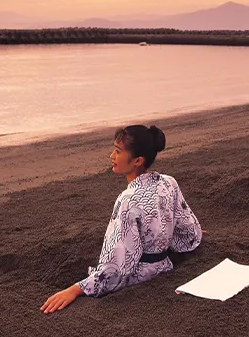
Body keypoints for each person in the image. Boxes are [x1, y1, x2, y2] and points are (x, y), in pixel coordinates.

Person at [40, 125, 202, 314]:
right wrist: (185, 233)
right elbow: (188, 229)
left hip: (143, 275)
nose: (111, 156)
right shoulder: (168, 182)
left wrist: (76, 289)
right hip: (165, 264)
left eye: (118, 151)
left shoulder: (127, 200)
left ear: (137, 161)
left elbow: (116, 267)